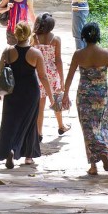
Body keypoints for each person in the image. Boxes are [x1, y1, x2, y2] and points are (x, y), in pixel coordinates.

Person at [0, 21, 56, 168]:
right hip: (30, 92)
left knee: (10, 122)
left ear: (16, 34)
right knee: (30, 123)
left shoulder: (8, 51)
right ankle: (27, 156)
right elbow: (43, 77)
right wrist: (51, 96)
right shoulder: (35, 53)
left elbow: (0, 72)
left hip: (12, 91)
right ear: (29, 35)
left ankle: (10, 149)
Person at [61, 22, 108, 176]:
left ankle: (93, 165)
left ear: (84, 36)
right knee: (101, 125)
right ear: (98, 35)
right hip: (101, 96)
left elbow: (70, 76)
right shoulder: (107, 54)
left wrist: (65, 94)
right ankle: (104, 152)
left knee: (87, 129)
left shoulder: (79, 54)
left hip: (84, 96)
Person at [32, 13, 69, 141]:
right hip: (52, 74)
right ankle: (61, 126)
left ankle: (39, 133)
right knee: (56, 101)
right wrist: (62, 79)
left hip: (38, 74)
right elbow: (58, 60)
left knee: (40, 106)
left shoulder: (33, 38)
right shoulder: (55, 40)